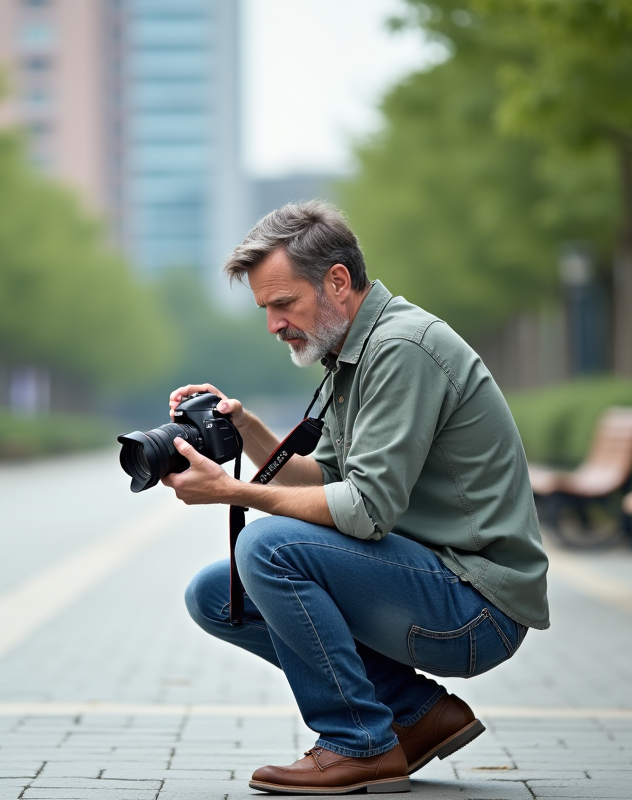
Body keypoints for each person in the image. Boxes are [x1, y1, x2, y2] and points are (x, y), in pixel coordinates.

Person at [162, 200, 549, 795]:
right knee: (218, 596)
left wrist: (233, 492)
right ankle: (416, 715)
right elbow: (329, 481)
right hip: (437, 582)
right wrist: (246, 430)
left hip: (477, 610)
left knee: (265, 547)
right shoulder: (357, 352)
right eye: (266, 308)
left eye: (283, 303)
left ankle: (358, 743)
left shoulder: (401, 350)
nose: (273, 324)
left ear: (337, 281)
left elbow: (365, 512)